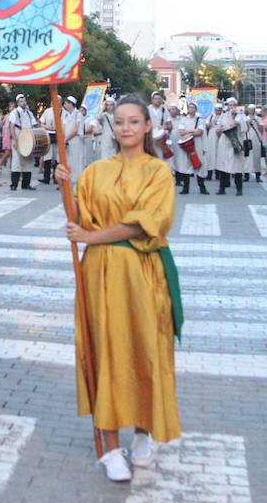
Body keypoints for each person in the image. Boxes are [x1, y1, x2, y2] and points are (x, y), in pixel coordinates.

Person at [58, 93, 180, 482]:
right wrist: (64, 185)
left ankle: (143, 433)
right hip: (98, 275)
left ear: (148, 126)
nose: (126, 127)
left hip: (142, 272)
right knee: (102, 351)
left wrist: (91, 237)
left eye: (134, 121)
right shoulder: (95, 171)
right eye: (120, 121)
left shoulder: (159, 173)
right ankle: (110, 446)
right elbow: (80, 219)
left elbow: (142, 224)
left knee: (144, 347)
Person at [171, 100, 206, 195]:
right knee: (186, 166)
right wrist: (192, 131)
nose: (191, 109)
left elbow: (200, 132)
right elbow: (181, 132)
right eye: (190, 107)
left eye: (193, 107)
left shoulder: (200, 119)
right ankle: (186, 188)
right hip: (186, 144)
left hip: (197, 144)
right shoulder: (184, 119)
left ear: (196, 109)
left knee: (198, 164)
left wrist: (188, 132)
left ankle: (202, 188)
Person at [213, 98, 246, 195]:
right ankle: (222, 188)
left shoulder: (240, 116)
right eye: (229, 105)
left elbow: (232, 124)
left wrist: (231, 115)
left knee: (237, 168)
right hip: (224, 143)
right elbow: (218, 129)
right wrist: (219, 130)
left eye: (233, 105)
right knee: (223, 167)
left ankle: (239, 189)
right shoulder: (223, 116)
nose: (231, 107)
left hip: (235, 143)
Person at [7, 94, 37, 192]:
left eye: (24, 101)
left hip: (28, 140)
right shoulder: (15, 113)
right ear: (18, 103)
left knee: (27, 162)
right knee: (16, 162)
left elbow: (34, 125)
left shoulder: (29, 113)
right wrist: (14, 140)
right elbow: (11, 126)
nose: (23, 102)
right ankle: (14, 184)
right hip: (19, 139)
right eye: (21, 101)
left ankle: (26, 184)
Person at [62, 95, 87, 184]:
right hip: (67, 140)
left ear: (71, 104)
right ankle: (68, 180)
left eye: (66, 103)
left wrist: (66, 138)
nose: (64, 105)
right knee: (68, 161)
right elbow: (63, 128)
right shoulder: (65, 115)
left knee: (76, 160)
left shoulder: (78, 114)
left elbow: (76, 129)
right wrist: (64, 139)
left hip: (75, 140)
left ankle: (78, 181)